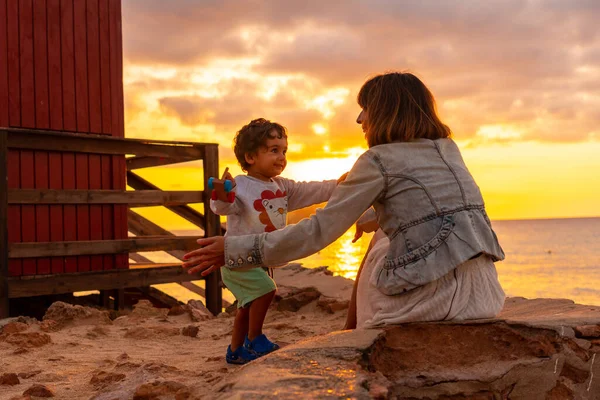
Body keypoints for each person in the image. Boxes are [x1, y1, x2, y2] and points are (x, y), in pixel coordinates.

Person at [184, 72, 506, 331]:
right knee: (381, 231)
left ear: (383, 111)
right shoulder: (448, 148)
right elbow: (428, 209)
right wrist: (371, 217)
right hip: (483, 297)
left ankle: (351, 331)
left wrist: (233, 250)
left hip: (425, 305)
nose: (359, 119)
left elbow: (318, 230)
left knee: (379, 242)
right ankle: (349, 328)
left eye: (365, 107)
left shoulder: (377, 159)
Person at [209, 118, 342, 364]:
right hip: (237, 257)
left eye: (283, 151)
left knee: (246, 306)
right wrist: (222, 193)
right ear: (250, 157)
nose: (281, 157)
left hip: (260, 256)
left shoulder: (282, 186)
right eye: (273, 151)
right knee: (267, 289)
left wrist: (338, 185)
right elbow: (222, 208)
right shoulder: (242, 185)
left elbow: (310, 190)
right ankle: (255, 337)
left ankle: (235, 350)